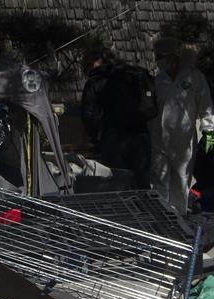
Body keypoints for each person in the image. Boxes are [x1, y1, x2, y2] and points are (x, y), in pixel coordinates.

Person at [150, 37, 214, 213]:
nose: (160, 60)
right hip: (159, 139)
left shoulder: (194, 78)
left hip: (183, 140)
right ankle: (161, 220)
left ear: (175, 55)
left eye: (163, 55)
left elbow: (206, 107)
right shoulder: (158, 79)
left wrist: (209, 132)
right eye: (158, 56)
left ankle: (179, 219)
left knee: (181, 181)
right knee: (159, 180)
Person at [80, 48, 156, 188]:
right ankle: (145, 209)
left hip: (114, 139)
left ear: (93, 62)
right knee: (141, 184)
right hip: (141, 137)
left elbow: (88, 115)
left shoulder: (95, 81)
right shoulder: (135, 75)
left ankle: (122, 210)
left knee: (116, 184)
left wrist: (96, 139)